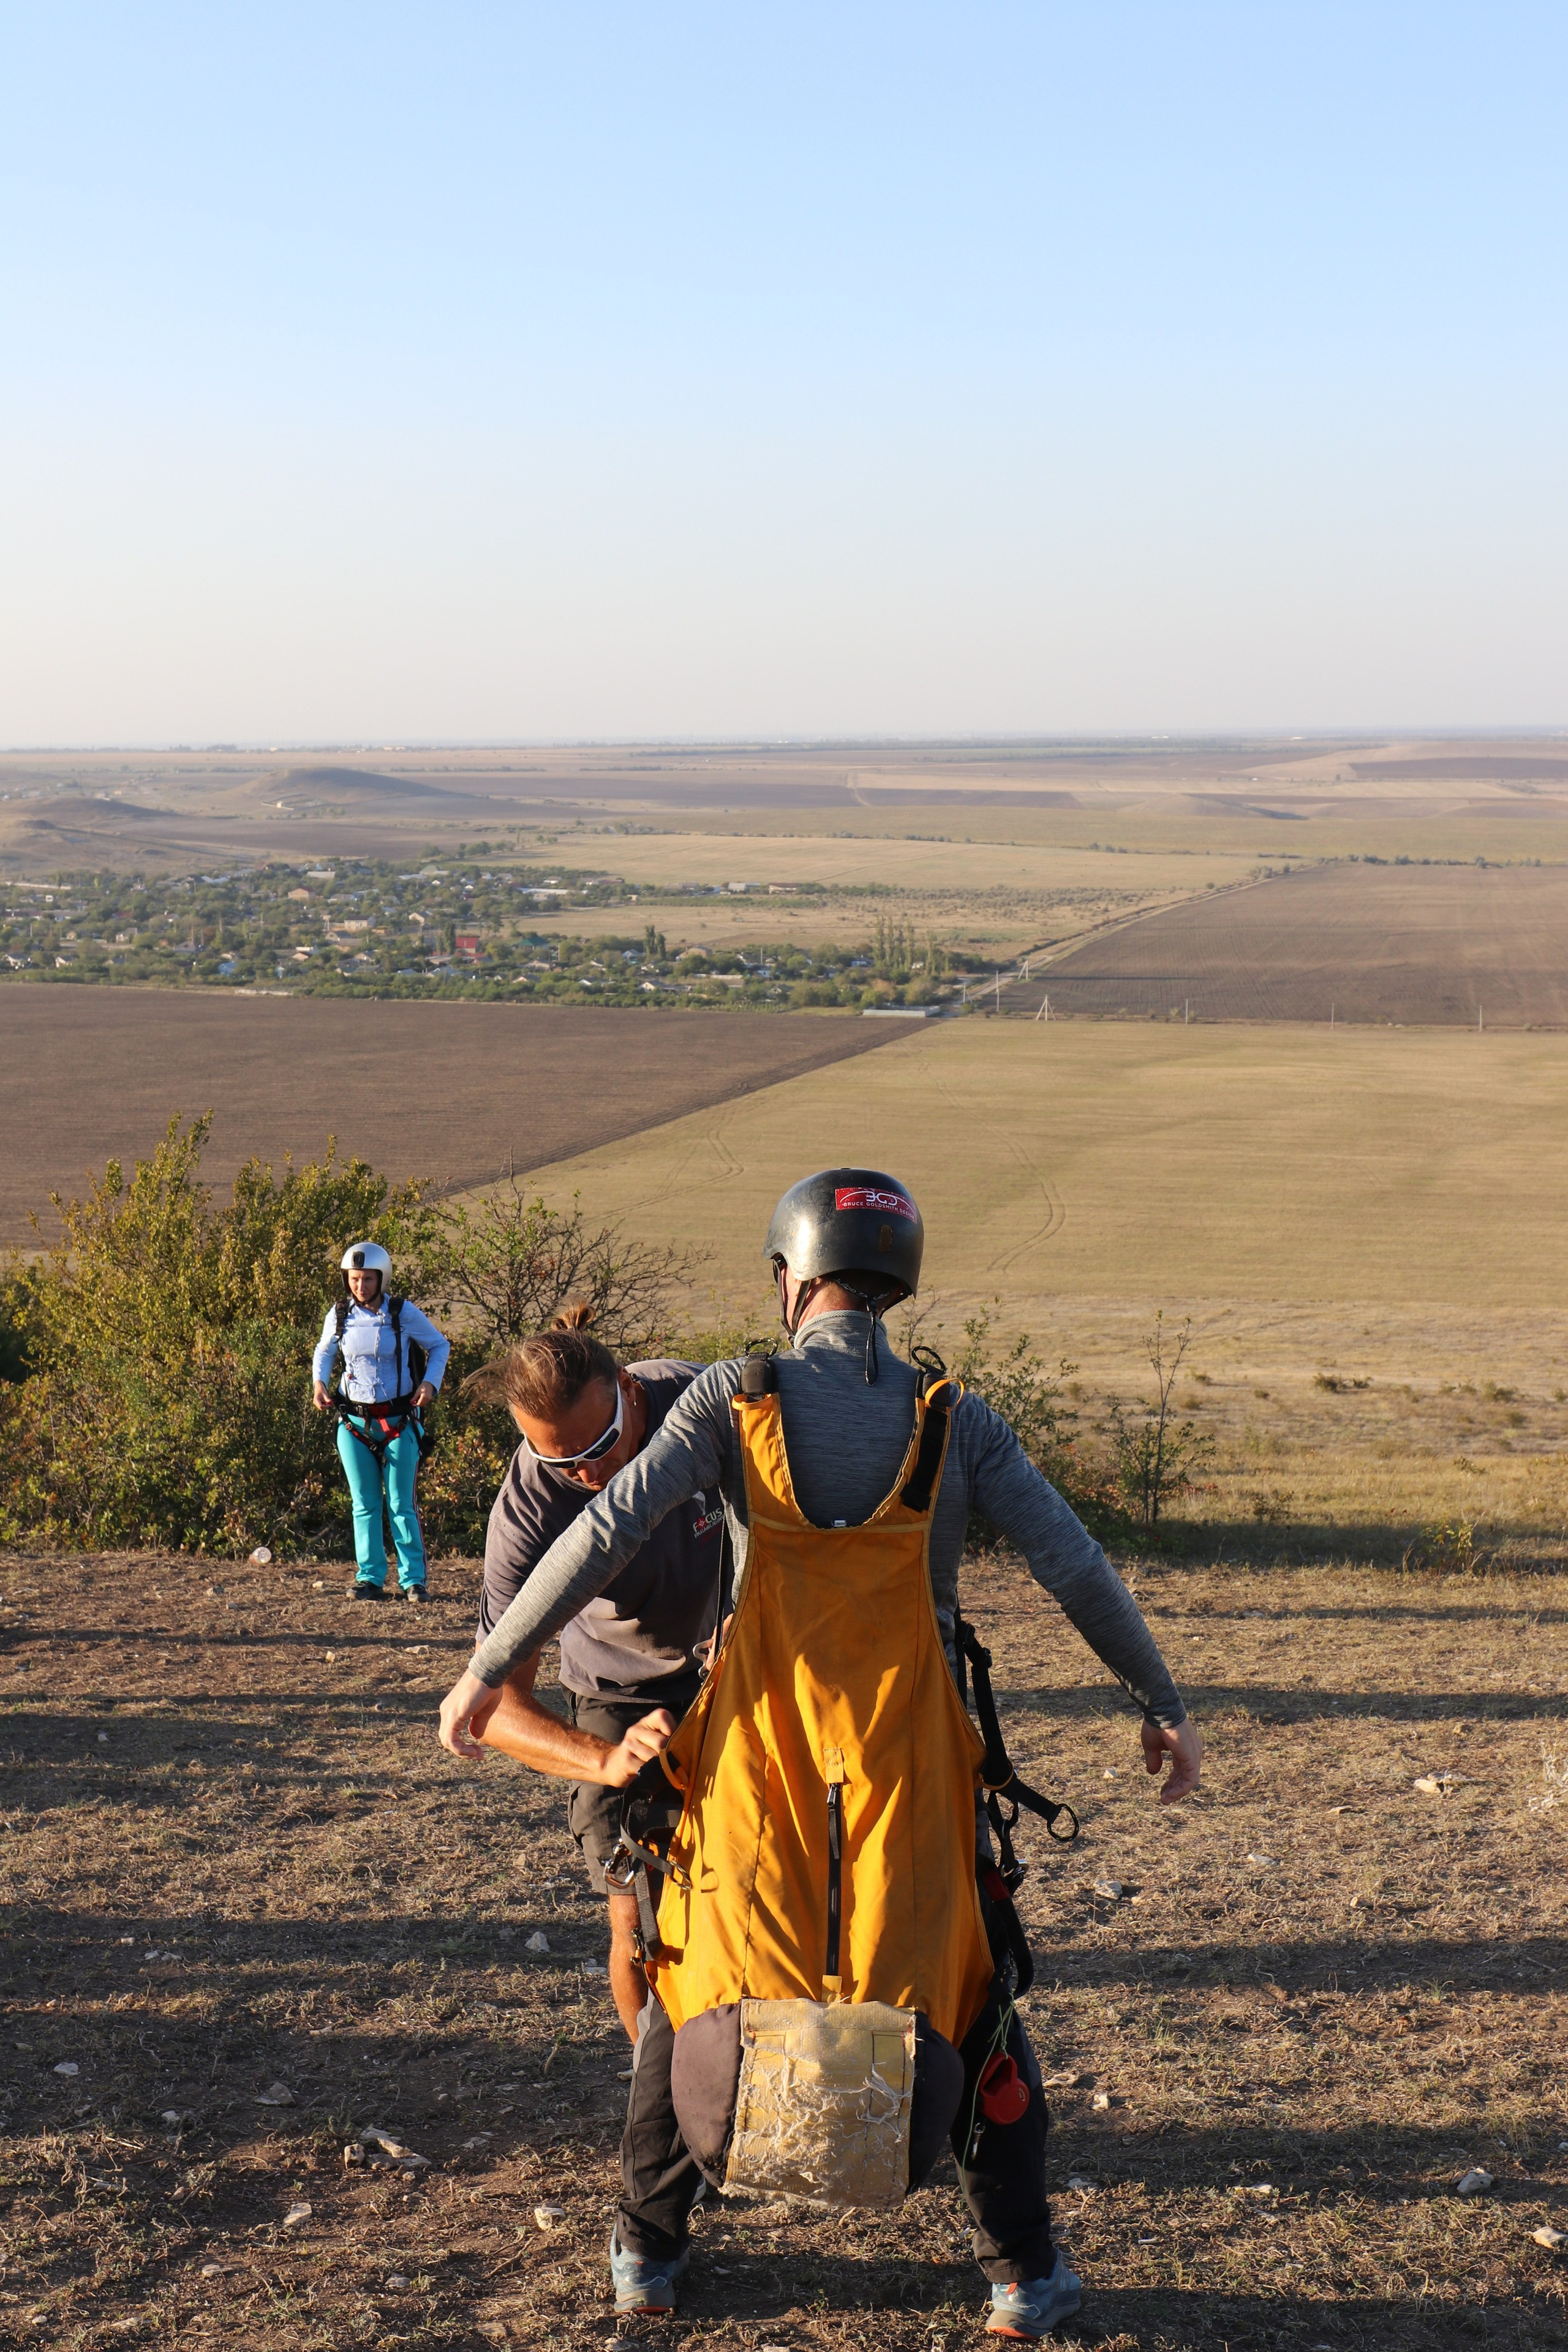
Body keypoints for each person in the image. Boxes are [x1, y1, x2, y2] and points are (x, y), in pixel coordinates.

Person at [437, 1169, 1201, 2339]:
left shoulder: (731, 1403)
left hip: (755, 1769)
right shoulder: (956, 1419)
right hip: (912, 1770)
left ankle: (648, 2256)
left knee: (693, 1972)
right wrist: (1161, 1701)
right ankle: (1022, 2276)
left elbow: (606, 1531)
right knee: (975, 1995)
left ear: (791, 1278)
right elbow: (1073, 1564)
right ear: (895, 1284)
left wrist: (490, 1666)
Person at [461, 1306, 725, 2037]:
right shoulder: (530, 1506)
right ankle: (653, 2081)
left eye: (602, 1446)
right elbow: (494, 1707)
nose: (587, 1474)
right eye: (561, 1462)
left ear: (630, 1391)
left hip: (739, 1663)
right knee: (638, 1918)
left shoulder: (702, 1401)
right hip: (619, 1691)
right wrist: (605, 1760)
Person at [312, 1242, 450, 1602]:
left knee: (402, 1504)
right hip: (353, 1423)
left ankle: (414, 1581)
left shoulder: (402, 1313)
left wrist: (430, 1383)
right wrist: (319, 1383)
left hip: (399, 1421)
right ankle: (370, 1579)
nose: (361, 1286)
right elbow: (325, 1350)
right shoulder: (339, 1314)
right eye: (355, 1279)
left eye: (368, 1279)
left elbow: (439, 1346)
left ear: (382, 1278)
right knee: (365, 1503)